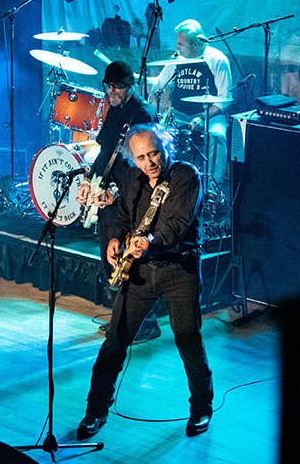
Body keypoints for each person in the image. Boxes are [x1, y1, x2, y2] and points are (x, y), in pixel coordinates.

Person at [77, 123, 213, 440]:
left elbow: (176, 223)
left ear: (165, 147)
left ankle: (202, 408)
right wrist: (115, 238)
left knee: (187, 340)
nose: (149, 163)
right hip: (140, 271)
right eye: (141, 157)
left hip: (178, 270)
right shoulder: (132, 179)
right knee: (115, 340)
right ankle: (95, 410)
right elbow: (122, 215)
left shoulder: (186, 175)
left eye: (154, 153)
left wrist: (149, 241)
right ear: (133, 158)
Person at [75, 60, 160, 341]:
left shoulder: (142, 114)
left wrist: (114, 191)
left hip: (133, 196)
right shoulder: (114, 110)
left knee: (131, 261)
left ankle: (144, 324)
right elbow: (105, 152)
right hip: (112, 195)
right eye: (108, 85)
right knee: (109, 256)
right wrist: (89, 179)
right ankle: (122, 319)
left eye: (117, 86)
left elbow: (141, 166)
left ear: (130, 86)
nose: (111, 90)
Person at [149, 19, 232, 192]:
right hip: (179, 114)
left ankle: (212, 190)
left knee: (217, 137)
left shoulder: (217, 60)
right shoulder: (177, 59)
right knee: (158, 135)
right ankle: (165, 183)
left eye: (181, 44)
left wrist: (203, 118)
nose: (177, 48)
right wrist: (138, 78)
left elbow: (224, 98)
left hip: (211, 114)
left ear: (195, 44)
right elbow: (160, 82)